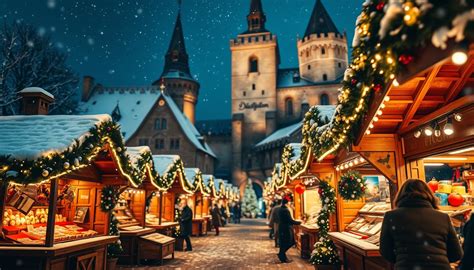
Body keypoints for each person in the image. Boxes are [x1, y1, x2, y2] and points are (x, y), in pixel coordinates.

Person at [380, 179, 463, 269]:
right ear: (429, 195)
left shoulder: (391, 216)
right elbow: (457, 254)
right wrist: (439, 260)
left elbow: (385, 251)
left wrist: (402, 260)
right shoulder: (443, 217)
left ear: (400, 196)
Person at [277, 197, 301, 263]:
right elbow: (289, 220)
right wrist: (299, 222)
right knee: (289, 242)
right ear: (287, 203)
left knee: (285, 242)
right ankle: (281, 254)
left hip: (283, 227)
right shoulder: (285, 210)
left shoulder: (281, 208)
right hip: (286, 228)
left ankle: (282, 256)